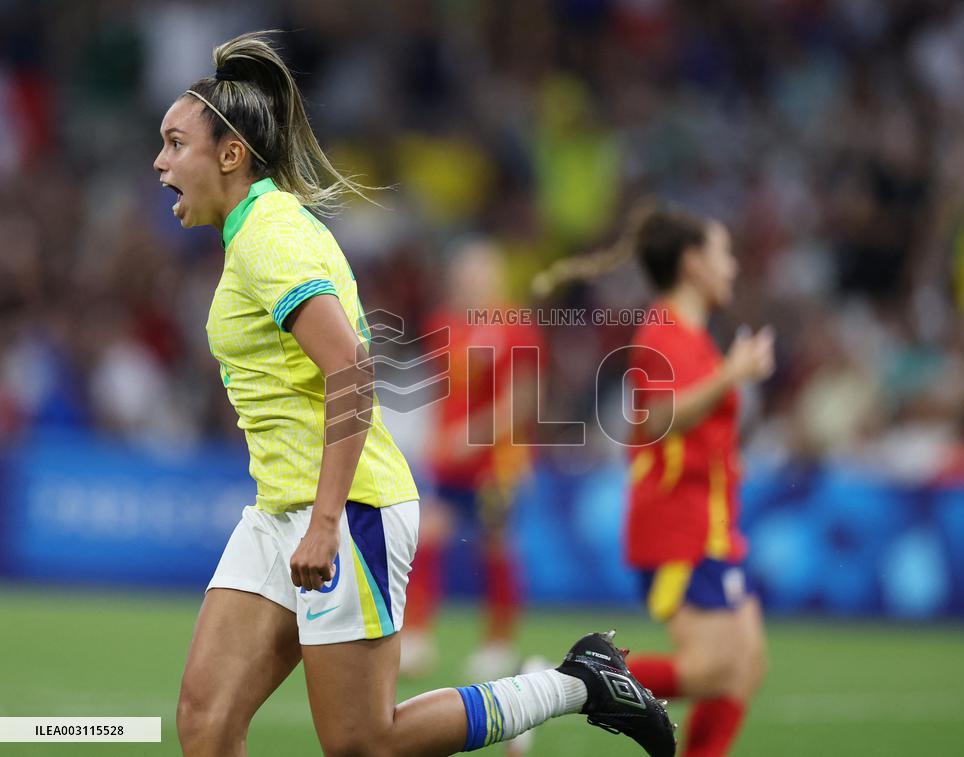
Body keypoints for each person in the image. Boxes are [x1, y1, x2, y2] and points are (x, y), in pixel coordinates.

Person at [154, 31, 675, 757]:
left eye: (175, 143)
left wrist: (328, 519)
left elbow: (352, 371)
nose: (160, 162)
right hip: (282, 507)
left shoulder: (270, 238)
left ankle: (578, 681)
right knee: (206, 726)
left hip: (344, 506)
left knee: (364, 741)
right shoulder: (254, 233)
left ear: (231, 155)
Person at [535, 201, 771, 757]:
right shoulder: (661, 332)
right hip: (678, 527)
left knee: (746, 665)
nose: (733, 266)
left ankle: (584, 682)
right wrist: (732, 376)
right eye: (724, 253)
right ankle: (571, 684)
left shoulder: (695, 338)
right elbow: (660, 418)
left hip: (714, 524)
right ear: (692, 262)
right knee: (714, 670)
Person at [402, 239, 539, 680]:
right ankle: (415, 639)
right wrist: (435, 436)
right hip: (450, 462)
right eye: (465, 273)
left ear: (497, 279)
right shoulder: (443, 324)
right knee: (427, 538)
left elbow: (522, 400)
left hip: (497, 464)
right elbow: (444, 392)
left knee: (494, 546)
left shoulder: (515, 327)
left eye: (480, 273)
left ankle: (498, 645)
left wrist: (474, 436)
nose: (471, 282)